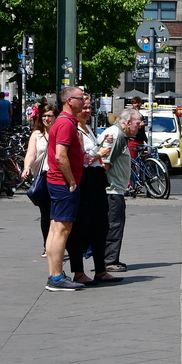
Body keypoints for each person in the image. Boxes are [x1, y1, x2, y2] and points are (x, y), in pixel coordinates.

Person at [68, 96, 120, 285]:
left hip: (96, 181)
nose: (88, 111)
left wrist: (100, 144)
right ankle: (78, 272)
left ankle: (100, 270)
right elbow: (79, 158)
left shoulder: (87, 128)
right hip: (85, 181)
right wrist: (99, 153)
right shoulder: (74, 129)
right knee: (81, 228)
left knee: (100, 226)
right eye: (85, 108)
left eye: (90, 107)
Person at [45, 87, 87, 291]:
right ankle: (56, 277)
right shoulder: (65, 123)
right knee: (62, 230)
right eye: (81, 98)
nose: (84, 101)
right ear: (70, 101)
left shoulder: (64, 122)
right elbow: (60, 156)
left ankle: (54, 275)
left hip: (56, 182)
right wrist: (71, 181)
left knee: (55, 229)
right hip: (63, 184)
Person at [102, 108, 142, 273]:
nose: (140, 126)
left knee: (113, 224)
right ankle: (109, 260)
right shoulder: (116, 135)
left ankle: (109, 259)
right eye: (137, 123)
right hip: (112, 190)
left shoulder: (119, 134)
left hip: (114, 189)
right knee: (114, 224)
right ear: (127, 122)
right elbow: (105, 163)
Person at [22, 103, 58, 253]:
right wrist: (27, 167)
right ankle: (47, 246)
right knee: (46, 213)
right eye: (44, 115)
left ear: (56, 117)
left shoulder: (61, 132)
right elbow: (31, 153)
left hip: (59, 176)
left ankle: (59, 244)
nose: (46, 118)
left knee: (58, 214)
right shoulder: (37, 134)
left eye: (49, 115)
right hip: (43, 176)